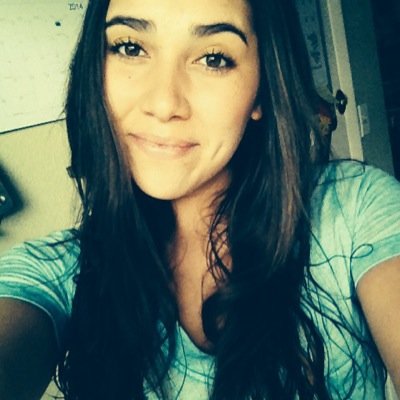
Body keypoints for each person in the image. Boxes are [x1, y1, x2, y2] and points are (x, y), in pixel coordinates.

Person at [0, 0, 399, 399]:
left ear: (261, 90)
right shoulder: (59, 272)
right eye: (130, 47)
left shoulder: (357, 210)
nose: (163, 104)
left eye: (213, 58)